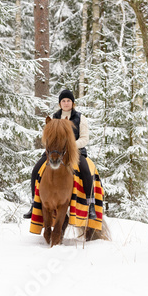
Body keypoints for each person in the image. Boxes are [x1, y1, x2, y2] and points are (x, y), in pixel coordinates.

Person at [24, 89, 97, 220]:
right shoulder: (54, 117)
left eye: (68, 100)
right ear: (60, 103)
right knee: (36, 170)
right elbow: (48, 137)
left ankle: (90, 205)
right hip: (55, 152)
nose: (66, 103)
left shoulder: (81, 118)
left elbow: (85, 139)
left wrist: (71, 146)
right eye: (63, 101)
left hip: (75, 151)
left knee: (86, 170)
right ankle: (34, 203)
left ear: (73, 103)